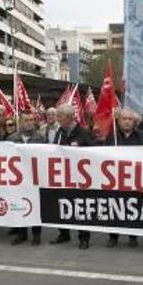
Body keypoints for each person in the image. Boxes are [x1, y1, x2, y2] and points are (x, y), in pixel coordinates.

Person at [106, 109, 143, 249]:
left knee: (133, 208)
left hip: (134, 180)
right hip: (115, 180)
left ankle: (133, 236)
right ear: (118, 121)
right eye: (123, 118)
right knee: (115, 208)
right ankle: (113, 237)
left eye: (129, 119)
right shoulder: (111, 136)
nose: (126, 121)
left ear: (135, 122)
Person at [51, 104, 94, 249]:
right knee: (62, 205)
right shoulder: (60, 132)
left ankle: (84, 238)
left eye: (60, 116)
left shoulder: (83, 132)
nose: (57, 119)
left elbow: (94, 151)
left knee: (80, 207)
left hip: (80, 178)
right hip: (63, 176)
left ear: (69, 117)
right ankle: (63, 233)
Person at [7, 111, 46, 245]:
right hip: (17, 180)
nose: (29, 123)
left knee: (35, 207)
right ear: (20, 122)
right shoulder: (11, 139)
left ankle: (36, 235)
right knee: (19, 206)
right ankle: (21, 234)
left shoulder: (41, 138)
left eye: (31, 120)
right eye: (26, 120)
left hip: (34, 179)